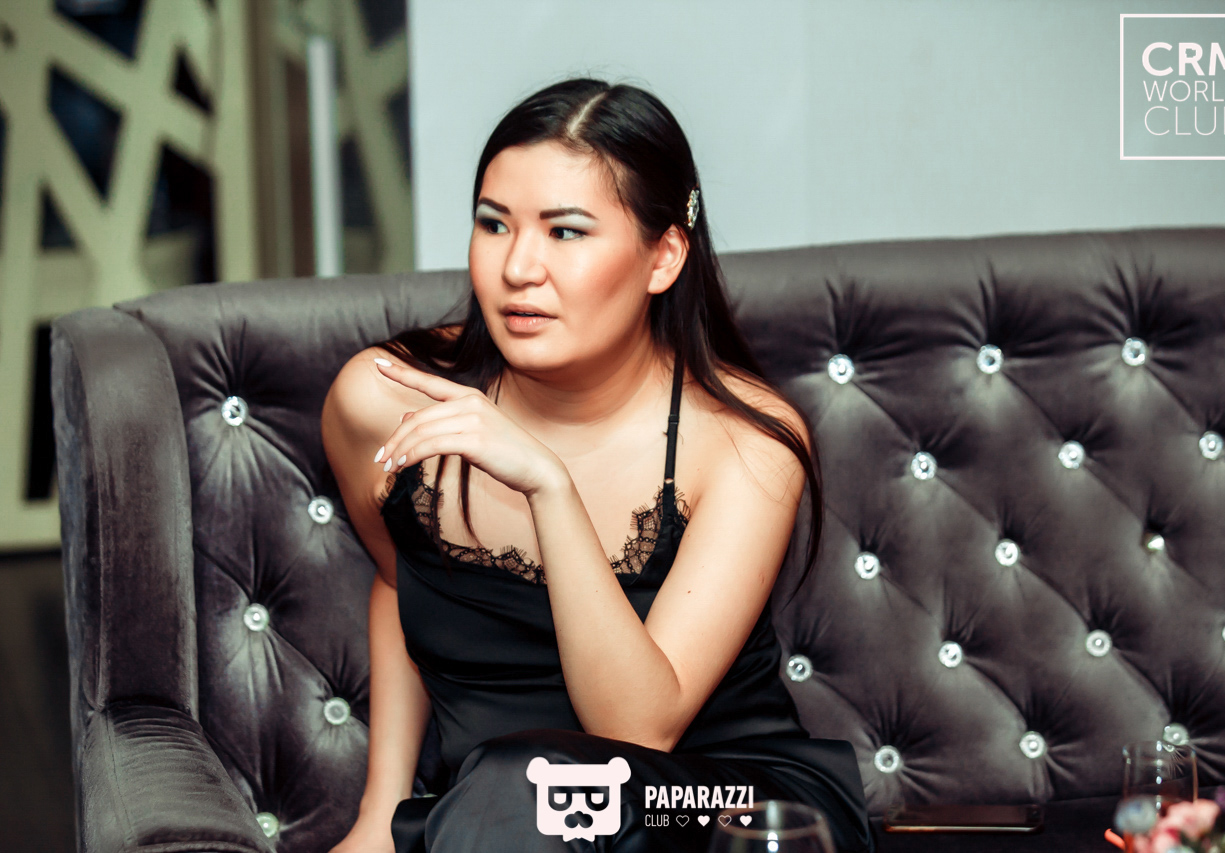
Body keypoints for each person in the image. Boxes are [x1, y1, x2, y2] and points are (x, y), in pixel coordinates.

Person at [321, 77, 873, 853]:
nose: (519, 266)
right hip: (494, 821)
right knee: (517, 793)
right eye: (494, 223)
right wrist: (380, 810)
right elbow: (396, 579)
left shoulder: (745, 442)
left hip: (712, 807)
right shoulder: (382, 401)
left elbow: (637, 729)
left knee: (532, 783)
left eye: (566, 231)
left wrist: (547, 484)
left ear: (663, 257)